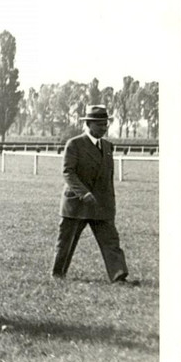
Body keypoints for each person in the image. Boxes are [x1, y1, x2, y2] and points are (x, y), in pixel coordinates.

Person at [51, 105, 130, 283]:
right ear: (88, 124)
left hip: (101, 204)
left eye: (105, 124)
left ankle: (119, 276)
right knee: (66, 242)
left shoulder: (108, 147)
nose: (104, 128)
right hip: (77, 203)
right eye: (99, 124)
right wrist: (84, 193)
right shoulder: (74, 144)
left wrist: (110, 203)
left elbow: (107, 178)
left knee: (111, 241)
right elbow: (68, 172)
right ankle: (58, 274)